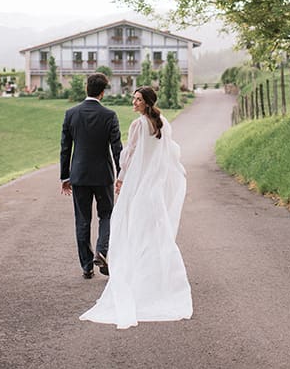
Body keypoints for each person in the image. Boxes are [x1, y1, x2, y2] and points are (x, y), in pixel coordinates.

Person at [80, 86, 192, 329]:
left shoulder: (137, 125)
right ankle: (157, 276)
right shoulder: (163, 123)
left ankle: (138, 276)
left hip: (139, 186)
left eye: (138, 99)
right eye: (134, 98)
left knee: (133, 230)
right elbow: (172, 152)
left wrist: (120, 178)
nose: (134, 102)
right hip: (154, 188)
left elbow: (128, 154)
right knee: (155, 232)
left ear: (146, 102)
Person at [60, 72, 123, 279]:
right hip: (103, 175)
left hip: (78, 175)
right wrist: (121, 175)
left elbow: (65, 148)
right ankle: (102, 251)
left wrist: (65, 176)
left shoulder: (71, 114)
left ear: (86, 88)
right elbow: (117, 149)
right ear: (103, 93)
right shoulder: (109, 116)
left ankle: (87, 267)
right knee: (106, 215)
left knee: (82, 220)